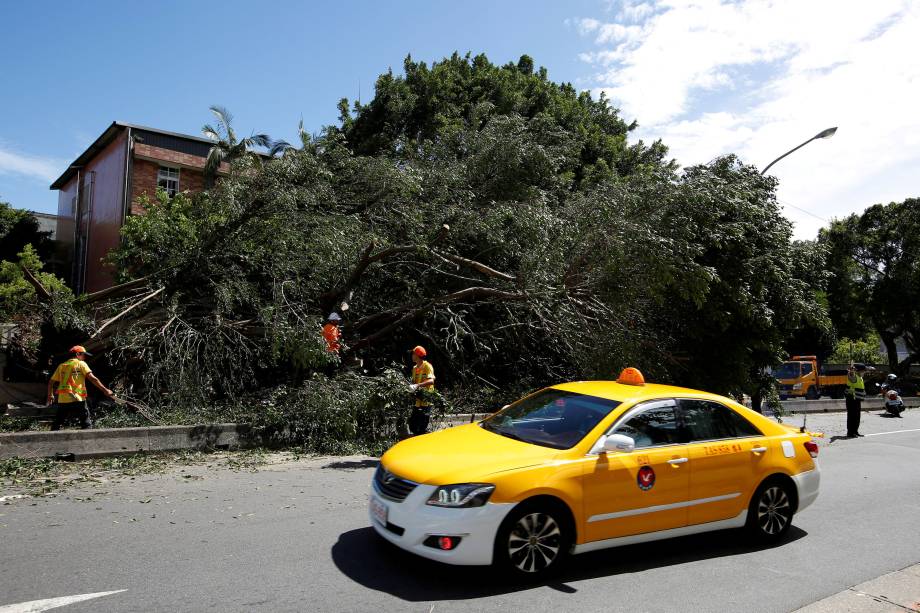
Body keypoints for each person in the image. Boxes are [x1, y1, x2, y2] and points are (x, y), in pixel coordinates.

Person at [46, 345, 114, 430]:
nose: (84, 357)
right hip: (78, 398)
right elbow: (93, 379)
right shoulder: (81, 364)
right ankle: (87, 440)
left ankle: (50, 439)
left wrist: (50, 395)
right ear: (78, 354)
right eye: (83, 355)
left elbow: (51, 382)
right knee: (86, 423)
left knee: (58, 422)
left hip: (63, 399)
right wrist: (105, 390)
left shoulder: (62, 366)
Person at [408, 345, 435, 436]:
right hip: (418, 400)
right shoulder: (414, 368)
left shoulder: (427, 366)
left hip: (426, 401)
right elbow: (413, 382)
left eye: (413, 354)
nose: (412, 355)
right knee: (412, 425)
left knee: (422, 427)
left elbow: (431, 381)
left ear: (417, 355)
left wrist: (417, 385)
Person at [844, 364, 866, 438]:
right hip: (851, 399)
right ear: (858, 371)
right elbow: (851, 375)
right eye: (863, 371)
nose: (864, 372)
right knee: (852, 416)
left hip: (856, 399)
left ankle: (855, 431)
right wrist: (851, 371)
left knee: (857, 416)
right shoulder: (854, 376)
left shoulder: (860, 378)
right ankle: (850, 432)